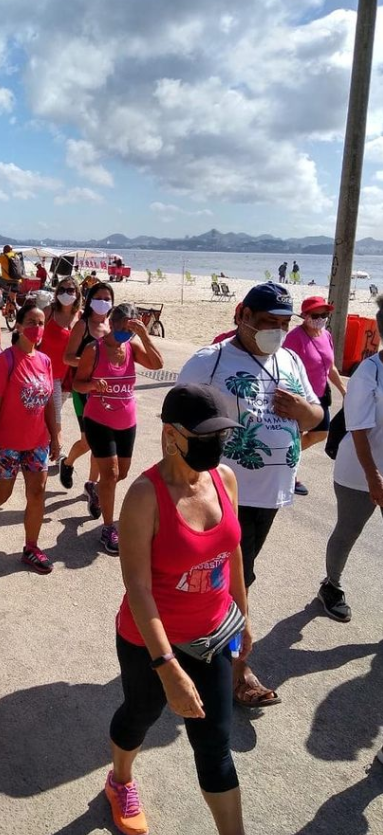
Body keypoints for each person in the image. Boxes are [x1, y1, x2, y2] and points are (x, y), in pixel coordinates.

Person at [106, 384, 248, 835]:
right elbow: (138, 587)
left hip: (211, 637)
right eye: (203, 435)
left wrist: (244, 617)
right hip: (150, 641)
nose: (215, 445)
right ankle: (120, 780)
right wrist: (167, 667)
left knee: (215, 746)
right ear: (171, 433)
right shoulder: (144, 497)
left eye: (220, 435)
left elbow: (233, 552)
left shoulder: (224, 478)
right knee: (140, 715)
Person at [178, 282, 323, 707]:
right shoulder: (211, 360)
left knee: (238, 576)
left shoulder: (291, 359)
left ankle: (203, 649)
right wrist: (179, 487)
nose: (276, 331)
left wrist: (302, 411)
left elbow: (317, 413)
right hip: (220, 492)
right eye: (268, 323)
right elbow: (177, 424)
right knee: (225, 578)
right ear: (243, 315)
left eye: (283, 324)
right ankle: (236, 671)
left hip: (270, 495)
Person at [0, 301, 59, 573]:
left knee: (37, 493)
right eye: (31, 322)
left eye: (41, 322)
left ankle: (31, 547)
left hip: (37, 443)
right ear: (18, 326)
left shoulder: (45, 361)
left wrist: (55, 436)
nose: (37, 327)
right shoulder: (5, 360)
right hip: (8, 444)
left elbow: (48, 402)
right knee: (1, 495)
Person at [73, 303, 163, 554]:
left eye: (131, 328)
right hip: (98, 420)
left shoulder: (133, 346)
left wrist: (144, 335)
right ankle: (108, 527)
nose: (126, 332)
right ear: (111, 325)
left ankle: (95, 489)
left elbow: (157, 364)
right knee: (111, 475)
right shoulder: (94, 350)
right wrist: (92, 385)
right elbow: (78, 384)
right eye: (123, 327)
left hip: (126, 421)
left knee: (121, 474)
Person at [317, 294, 383, 622]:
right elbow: (358, 428)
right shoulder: (369, 373)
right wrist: (373, 476)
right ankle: (331, 585)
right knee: (349, 530)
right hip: (360, 471)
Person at [60, 282, 116, 518]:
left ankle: (91, 485)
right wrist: (90, 361)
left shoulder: (110, 326)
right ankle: (68, 462)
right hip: (83, 391)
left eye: (107, 298)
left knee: (100, 443)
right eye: (99, 297)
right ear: (91, 299)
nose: (103, 301)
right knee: (89, 441)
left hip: (105, 392)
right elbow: (67, 358)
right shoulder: (82, 325)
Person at [284, 296, 346, 495]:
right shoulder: (295, 337)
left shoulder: (326, 335)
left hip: (320, 396)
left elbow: (330, 368)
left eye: (324, 314)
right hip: (299, 398)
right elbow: (285, 368)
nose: (320, 318)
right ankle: (290, 474)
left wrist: (345, 391)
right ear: (304, 316)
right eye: (315, 315)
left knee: (321, 433)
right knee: (296, 436)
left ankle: (286, 460)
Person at [38, 277, 81, 444]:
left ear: (77, 294)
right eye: (62, 290)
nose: (66, 293)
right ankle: (57, 447)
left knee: (51, 412)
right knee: (55, 415)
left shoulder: (80, 316)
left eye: (70, 290)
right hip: (46, 373)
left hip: (67, 376)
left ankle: (39, 442)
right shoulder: (49, 312)